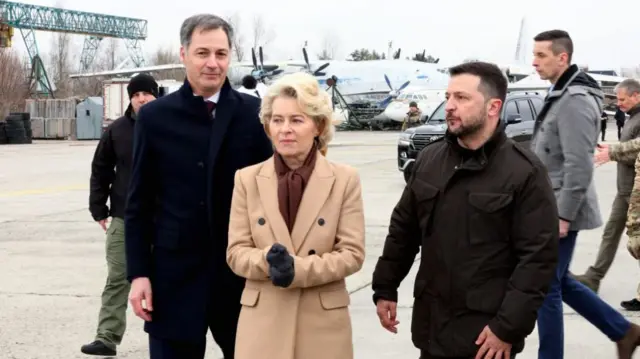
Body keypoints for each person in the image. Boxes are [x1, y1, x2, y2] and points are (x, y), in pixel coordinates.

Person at [371, 61, 559, 359]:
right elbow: (403, 232)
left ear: (493, 106)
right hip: (431, 329)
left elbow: (537, 260)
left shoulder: (524, 172)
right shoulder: (430, 160)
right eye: (448, 97)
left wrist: (507, 328)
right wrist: (385, 287)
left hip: (485, 338)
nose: (449, 106)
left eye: (462, 98)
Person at [124, 14, 273, 359]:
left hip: (240, 278)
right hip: (172, 279)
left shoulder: (255, 115)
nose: (212, 63)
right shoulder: (155, 118)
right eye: (202, 53)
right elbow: (139, 203)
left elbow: (272, 195)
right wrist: (139, 274)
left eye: (221, 54)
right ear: (183, 54)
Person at [225, 72, 365, 359]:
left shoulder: (345, 179)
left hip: (322, 326)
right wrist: (266, 261)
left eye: (296, 120)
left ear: (318, 126)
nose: (284, 129)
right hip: (263, 324)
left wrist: (297, 270)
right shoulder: (247, 179)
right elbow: (236, 252)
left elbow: (352, 253)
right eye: (277, 120)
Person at [530, 29, 640, 359]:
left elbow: (579, 163)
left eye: (541, 56)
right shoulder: (562, 94)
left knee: (544, 286)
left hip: (562, 206)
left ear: (562, 58)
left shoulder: (574, 101)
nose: (534, 62)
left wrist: (563, 215)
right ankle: (624, 331)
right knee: (558, 281)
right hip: (553, 203)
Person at [82, 74, 158, 356]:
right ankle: (106, 337)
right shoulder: (117, 130)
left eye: (146, 94)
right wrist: (99, 209)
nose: (141, 99)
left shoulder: (169, 128)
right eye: (136, 94)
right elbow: (100, 170)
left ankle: (165, 338)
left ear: (156, 96)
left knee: (166, 279)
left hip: (163, 220)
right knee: (117, 278)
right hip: (124, 218)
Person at [573, 78, 640, 297]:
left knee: (637, 243)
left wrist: (613, 152)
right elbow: (627, 149)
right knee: (611, 233)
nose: (618, 103)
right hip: (625, 191)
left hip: (636, 193)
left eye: (622, 99)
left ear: (636, 96)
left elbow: (636, 151)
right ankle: (594, 277)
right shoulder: (632, 118)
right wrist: (611, 149)